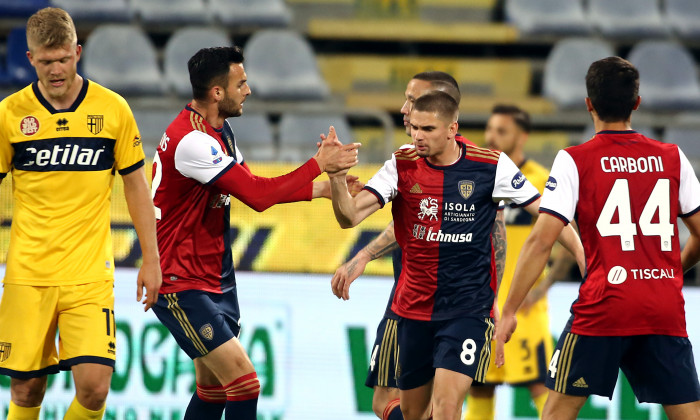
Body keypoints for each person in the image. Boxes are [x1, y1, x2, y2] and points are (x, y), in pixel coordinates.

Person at [329, 91, 583, 420]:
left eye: (429, 129)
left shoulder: (490, 165)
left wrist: (582, 254)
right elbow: (349, 217)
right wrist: (336, 178)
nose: (418, 135)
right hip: (413, 310)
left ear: (452, 129)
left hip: (466, 310)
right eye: (415, 127)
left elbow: (549, 215)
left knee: (448, 408)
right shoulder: (401, 165)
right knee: (413, 414)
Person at [150, 46, 360, 420]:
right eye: (241, 83)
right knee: (245, 384)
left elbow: (253, 185)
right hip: (180, 280)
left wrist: (325, 188)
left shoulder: (217, 130)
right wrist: (317, 165)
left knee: (213, 391)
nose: (248, 90)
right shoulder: (192, 141)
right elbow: (259, 198)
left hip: (212, 276)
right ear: (217, 93)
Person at [495, 56, 700, 420]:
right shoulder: (673, 157)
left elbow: (541, 241)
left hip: (604, 306)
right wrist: (673, 271)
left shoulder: (575, 160)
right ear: (636, 103)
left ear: (589, 104)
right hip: (661, 305)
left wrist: (509, 309)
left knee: (556, 413)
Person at [0, 7, 161, 420]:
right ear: (31, 59)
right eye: (47, 61)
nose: (56, 69)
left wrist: (152, 259)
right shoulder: (9, 115)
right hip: (28, 275)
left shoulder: (113, 110)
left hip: (89, 275)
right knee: (26, 388)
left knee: (94, 389)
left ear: (78, 52)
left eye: (64, 59)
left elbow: (136, 187)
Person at [331, 71, 501, 420]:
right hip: (409, 296)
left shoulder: (475, 166)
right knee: (387, 403)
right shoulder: (407, 159)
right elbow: (410, 221)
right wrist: (362, 253)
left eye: (414, 100)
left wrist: (490, 297)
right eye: (407, 100)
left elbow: (492, 233)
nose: (405, 109)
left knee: (443, 405)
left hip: (455, 302)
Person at [464, 105, 562, 420]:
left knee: (540, 384)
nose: (491, 137)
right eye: (490, 129)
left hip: (524, 306)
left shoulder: (541, 180)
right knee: (479, 385)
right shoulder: (475, 177)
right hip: (482, 303)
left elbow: (569, 242)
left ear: (522, 136)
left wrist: (543, 287)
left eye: (501, 131)